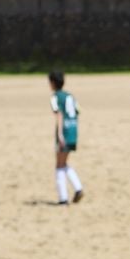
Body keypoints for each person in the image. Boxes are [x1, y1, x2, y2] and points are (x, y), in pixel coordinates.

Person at [49, 71, 85, 204]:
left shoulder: (55, 97)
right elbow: (78, 110)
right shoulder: (70, 96)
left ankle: (63, 198)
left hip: (64, 132)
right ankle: (78, 188)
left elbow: (58, 114)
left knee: (59, 164)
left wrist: (59, 134)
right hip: (73, 130)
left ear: (52, 83)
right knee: (64, 163)